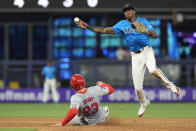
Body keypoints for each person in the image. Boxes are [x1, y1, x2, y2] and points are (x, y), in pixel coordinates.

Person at [74, 2, 180, 117]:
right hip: (135, 56)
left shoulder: (143, 21)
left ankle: (171, 86)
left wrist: (144, 30)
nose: (127, 12)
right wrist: (88, 26)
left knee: (152, 70)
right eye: (125, 11)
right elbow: (105, 30)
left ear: (134, 11)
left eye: (129, 10)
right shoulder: (122, 24)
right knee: (138, 88)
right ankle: (144, 102)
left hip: (147, 50)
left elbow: (155, 35)